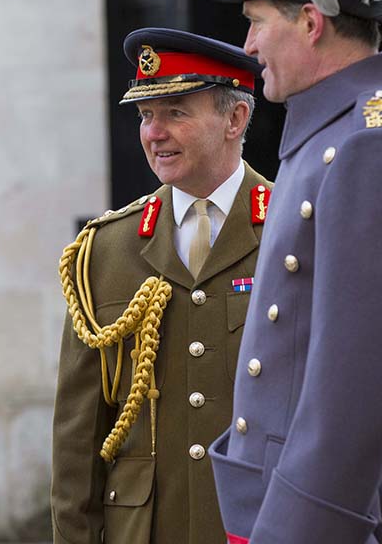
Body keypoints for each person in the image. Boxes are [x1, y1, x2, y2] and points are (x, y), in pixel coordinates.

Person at [176, 0, 382, 542]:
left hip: (343, 518)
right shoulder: (340, 131)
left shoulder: (373, 146)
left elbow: (350, 413)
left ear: (311, 22)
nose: (247, 46)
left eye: (255, 22)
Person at [52, 28, 272, 544]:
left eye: (175, 112)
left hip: (261, 525)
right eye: (146, 116)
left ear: (235, 119)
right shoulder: (104, 250)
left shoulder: (299, 230)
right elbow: (78, 436)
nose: (155, 132)